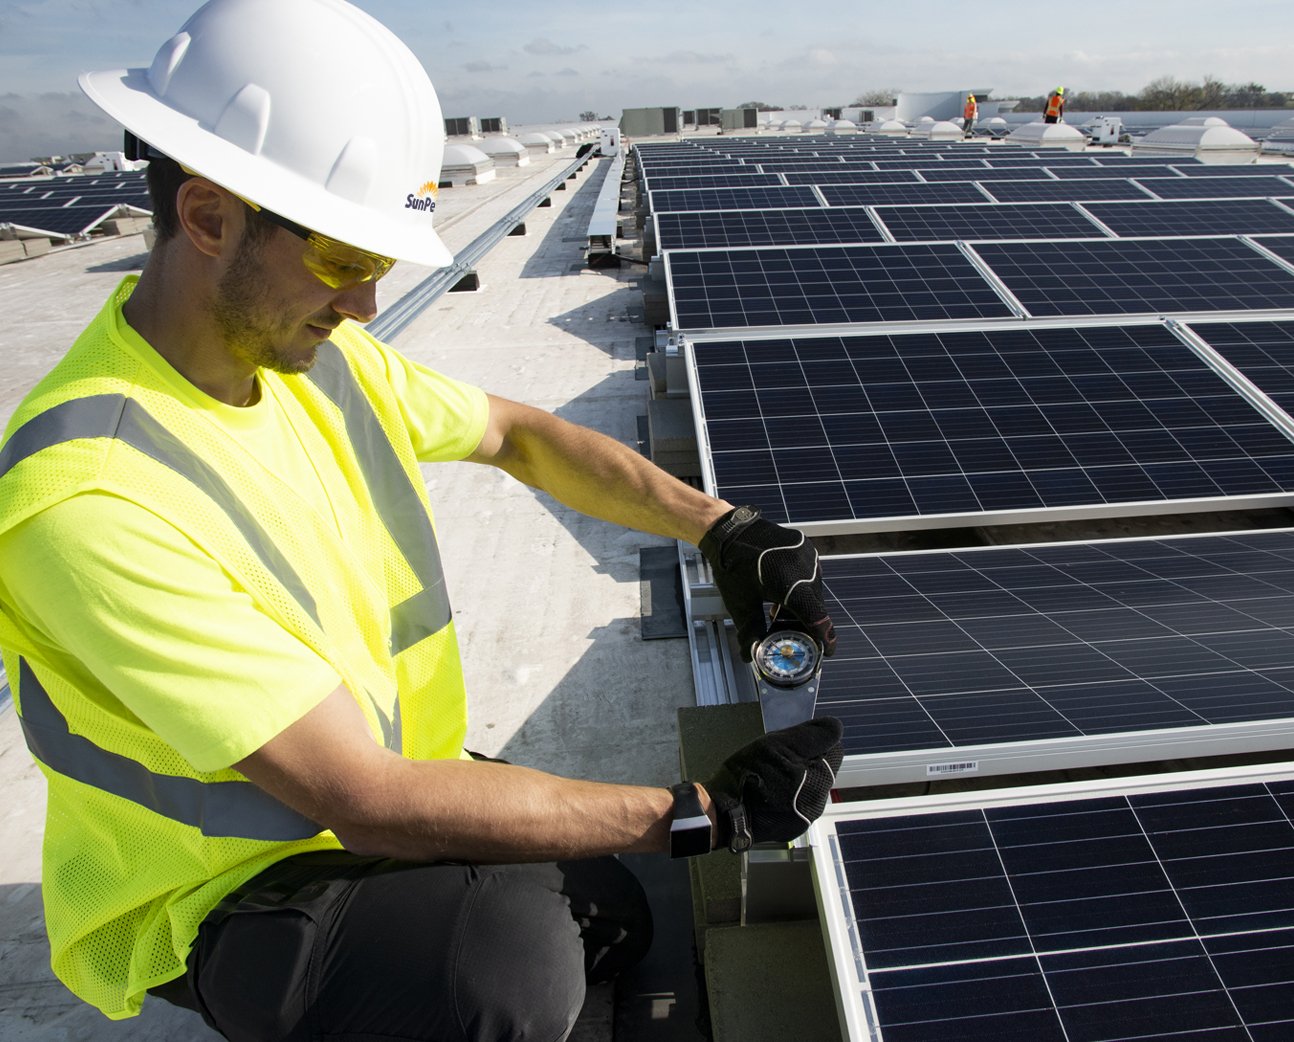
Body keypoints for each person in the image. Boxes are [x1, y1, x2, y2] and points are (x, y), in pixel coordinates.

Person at [0, 1, 843, 1041]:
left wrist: (722, 529)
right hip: (228, 885)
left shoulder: (319, 363)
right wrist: (696, 813)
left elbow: (519, 434)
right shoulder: (93, 498)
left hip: (387, 786)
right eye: (343, 259)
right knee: (505, 978)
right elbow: (360, 795)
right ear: (210, 218)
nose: (363, 303)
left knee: (612, 920)